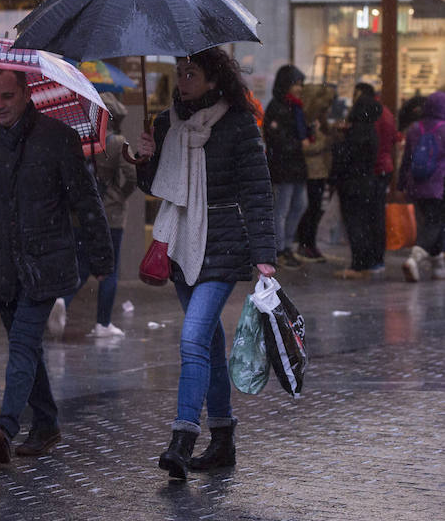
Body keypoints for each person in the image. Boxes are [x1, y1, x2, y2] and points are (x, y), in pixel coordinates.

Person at [0, 68, 113, 464]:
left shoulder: (58, 138)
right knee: (27, 348)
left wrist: (101, 256)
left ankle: (6, 425)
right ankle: (47, 422)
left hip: (46, 262)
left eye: (7, 96)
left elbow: (85, 199)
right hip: (1, 262)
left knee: (23, 343)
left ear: (26, 93)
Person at [136, 48, 276, 481]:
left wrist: (264, 254)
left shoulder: (238, 123)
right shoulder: (166, 123)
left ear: (214, 80)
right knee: (210, 345)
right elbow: (156, 186)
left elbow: (257, 190)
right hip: (180, 242)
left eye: (191, 74)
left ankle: (182, 439)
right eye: (180, 73)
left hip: (224, 243)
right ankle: (223, 440)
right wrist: (145, 157)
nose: (182, 81)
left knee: (193, 338)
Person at [48, 92, 136, 338]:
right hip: (111, 215)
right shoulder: (118, 143)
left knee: (83, 265)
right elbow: (133, 176)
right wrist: (119, 195)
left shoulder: (78, 141)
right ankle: (103, 324)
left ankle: (62, 300)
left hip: (82, 214)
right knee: (109, 269)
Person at [329, 96, 381, 279]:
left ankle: (358, 264)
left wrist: (338, 143)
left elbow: (343, 158)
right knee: (364, 223)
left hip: (351, 184)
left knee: (354, 224)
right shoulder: (371, 131)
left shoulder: (355, 133)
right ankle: (365, 262)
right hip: (366, 183)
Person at [263, 64, 308, 269]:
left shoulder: (296, 107)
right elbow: (276, 139)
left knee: (299, 205)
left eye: (301, 84)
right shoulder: (277, 107)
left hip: (296, 167)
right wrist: (299, 143)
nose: (299, 88)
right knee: (281, 208)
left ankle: (287, 246)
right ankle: (279, 250)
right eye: (296, 84)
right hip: (283, 167)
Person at [397, 91, 445, 282]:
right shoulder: (443, 129)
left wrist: (401, 185)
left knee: (433, 223)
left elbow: (406, 160)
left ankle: (438, 267)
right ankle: (414, 259)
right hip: (439, 187)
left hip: (417, 186)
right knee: (435, 224)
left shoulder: (415, 129)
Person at [354, 83, 399, 274]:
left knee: (370, 216)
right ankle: (376, 258)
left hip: (374, 169)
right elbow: (394, 138)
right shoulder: (386, 112)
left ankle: (371, 258)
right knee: (377, 215)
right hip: (383, 167)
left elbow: (369, 144)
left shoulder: (371, 114)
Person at [295, 85, 337, 263]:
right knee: (310, 209)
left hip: (320, 171)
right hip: (311, 171)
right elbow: (306, 148)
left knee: (315, 209)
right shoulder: (305, 122)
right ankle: (305, 244)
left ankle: (310, 243)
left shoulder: (316, 121)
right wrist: (324, 142)